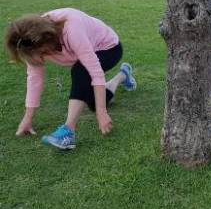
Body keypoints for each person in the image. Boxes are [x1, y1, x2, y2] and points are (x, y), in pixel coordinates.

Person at [5, 8, 137, 150]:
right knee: (93, 102)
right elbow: (34, 78)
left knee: (80, 71)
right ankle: (123, 75)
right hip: (86, 55)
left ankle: (68, 131)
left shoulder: (72, 28)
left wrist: (102, 112)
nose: (40, 57)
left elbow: (95, 72)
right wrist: (28, 118)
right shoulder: (29, 42)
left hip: (109, 48)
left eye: (42, 52)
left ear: (48, 37)